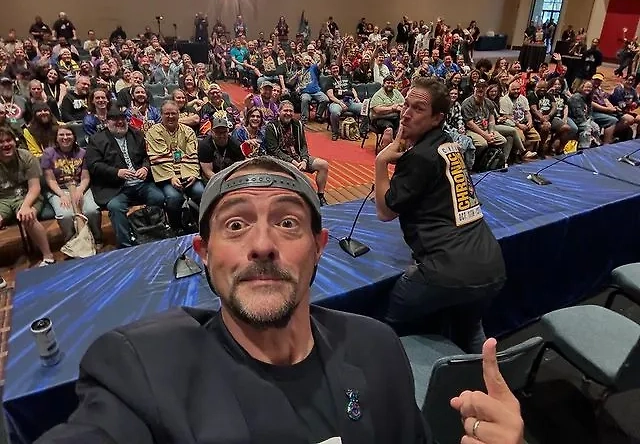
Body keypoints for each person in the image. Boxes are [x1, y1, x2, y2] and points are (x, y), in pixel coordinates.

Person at [35, 155, 525, 444]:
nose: (263, 244)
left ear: (318, 247)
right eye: (236, 224)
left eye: (288, 222)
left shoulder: (378, 348)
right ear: (205, 255)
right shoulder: (140, 372)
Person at [374, 77, 506, 353]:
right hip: (491, 265)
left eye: (418, 109)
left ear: (437, 118)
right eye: (406, 105)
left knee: (389, 329)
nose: (406, 114)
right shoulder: (450, 145)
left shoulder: (420, 157)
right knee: (470, 329)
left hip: (449, 271)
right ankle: (486, 375)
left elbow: (385, 212)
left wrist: (381, 161)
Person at [85, 108, 165, 248]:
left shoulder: (137, 134)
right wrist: (116, 172)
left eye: (122, 119)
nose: (120, 122)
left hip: (141, 183)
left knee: (158, 197)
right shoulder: (96, 140)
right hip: (116, 187)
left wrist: (145, 168)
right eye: (115, 119)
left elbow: (147, 157)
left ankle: (154, 234)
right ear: (107, 122)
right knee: (115, 207)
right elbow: (94, 165)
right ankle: (126, 245)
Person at [145, 101, 204, 233]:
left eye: (173, 113)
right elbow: (159, 157)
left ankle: (201, 225)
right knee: (174, 198)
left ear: (179, 114)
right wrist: (172, 177)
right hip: (166, 176)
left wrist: (193, 175)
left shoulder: (188, 131)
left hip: (188, 173)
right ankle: (176, 227)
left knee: (201, 192)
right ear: (161, 115)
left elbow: (192, 155)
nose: (170, 116)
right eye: (167, 114)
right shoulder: (153, 132)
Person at [0, 127, 55, 266]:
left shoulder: (26, 157)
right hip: (3, 199)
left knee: (28, 216)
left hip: (27, 195)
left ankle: (48, 256)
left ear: (15, 141)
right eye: (1, 142)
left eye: (8, 140)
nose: (5, 144)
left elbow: (35, 187)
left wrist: (25, 206)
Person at [41, 125, 102, 245]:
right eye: (61, 135)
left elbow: (85, 177)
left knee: (92, 211)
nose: (65, 137)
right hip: (59, 190)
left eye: (68, 134)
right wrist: (62, 195)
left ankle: (97, 238)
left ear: (74, 137)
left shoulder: (82, 152)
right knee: (65, 215)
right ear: (56, 138)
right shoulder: (48, 153)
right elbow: (50, 180)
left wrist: (80, 190)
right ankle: (72, 242)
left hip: (80, 187)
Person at [265, 100, 329, 206]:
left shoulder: (297, 124)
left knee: (323, 165)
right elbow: (274, 150)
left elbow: (303, 145)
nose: (288, 113)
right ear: (279, 112)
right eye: (285, 110)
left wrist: (304, 160)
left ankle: (320, 196)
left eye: (291, 111)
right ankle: (296, 200)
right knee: (294, 169)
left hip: (298, 157)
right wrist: (293, 161)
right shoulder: (271, 127)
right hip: (280, 160)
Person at [198, 115, 245, 180]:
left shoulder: (235, 144)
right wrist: (222, 182)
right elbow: (207, 172)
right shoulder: (205, 146)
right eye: (218, 132)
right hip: (210, 178)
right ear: (211, 132)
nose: (222, 135)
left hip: (230, 177)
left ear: (228, 131)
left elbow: (240, 168)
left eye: (224, 132)